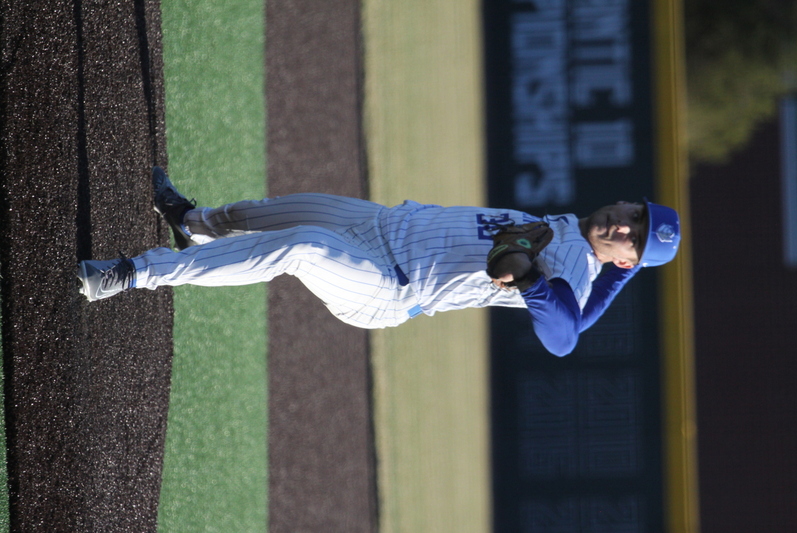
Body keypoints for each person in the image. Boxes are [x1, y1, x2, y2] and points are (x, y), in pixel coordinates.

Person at [77, 167, 681, 356]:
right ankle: (191, 225)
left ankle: (131, 273)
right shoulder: (566, 225)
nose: (624, 224)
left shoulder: (578, 271)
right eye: (635, 213)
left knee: (301, 247)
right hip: (380, 224)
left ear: (627, 260)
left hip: (388, 285)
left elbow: (563, 337)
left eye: (635, 237)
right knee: (263, 215)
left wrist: (531, 283)